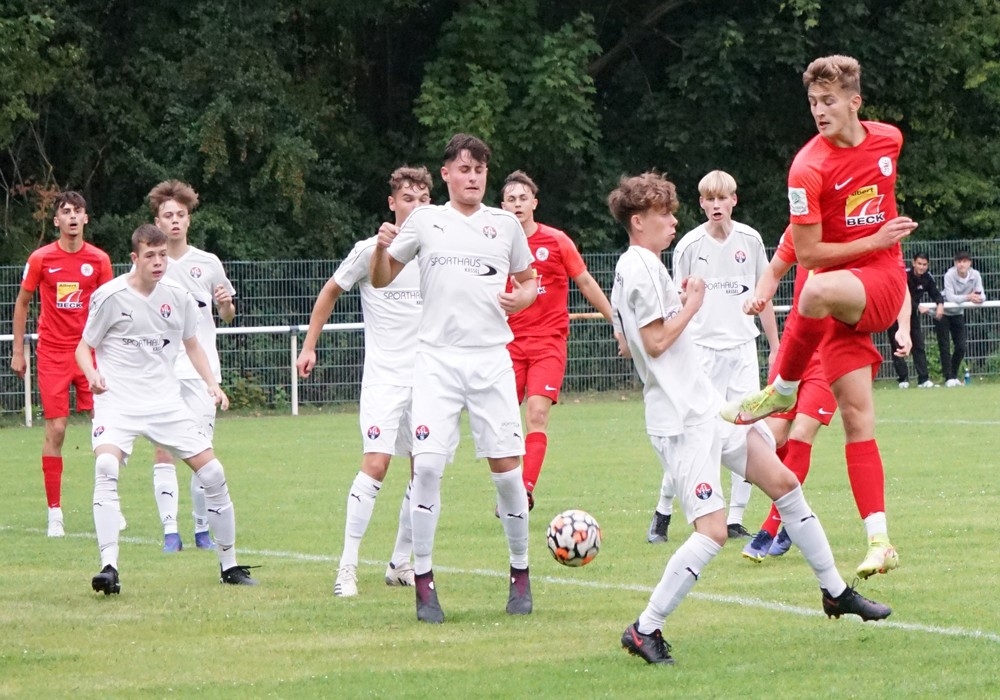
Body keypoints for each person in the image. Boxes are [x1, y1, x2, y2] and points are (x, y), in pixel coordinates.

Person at [607, 172, 891, 666]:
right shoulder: (641, 267)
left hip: (706, 407)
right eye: (664, 214)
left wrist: (678, 308)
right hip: (681, 420)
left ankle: (835, 592)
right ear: (638, 221)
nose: (673, 221)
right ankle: (644, 628)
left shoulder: (640, 266)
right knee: (713, 532)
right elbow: (653, 343)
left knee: (784, 483)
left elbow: (627, 340)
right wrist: (693, 305)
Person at [721, 54, 918, 579]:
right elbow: (802, 250)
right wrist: (768, 283)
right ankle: (880, 540)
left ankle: (781, 388)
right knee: (857, 419)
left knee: (815, 290)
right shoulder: (806, 168)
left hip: (878, 281)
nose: (819, 111)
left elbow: (811, 261)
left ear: (855, 102)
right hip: (832, 310)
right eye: (812, 102)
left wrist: (877, 244)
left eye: (829, 101)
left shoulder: (889, 140)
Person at [370, 133, 538, 624]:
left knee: (508, 473)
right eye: (464, 169)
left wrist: (522, 298)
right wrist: (381, 249)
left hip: (490, 361)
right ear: (446, 174)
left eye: (480, 170)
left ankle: (520, 572)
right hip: (436, 362)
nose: (473, 178)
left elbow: (530, 281)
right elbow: (381, 277)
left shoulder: (504, 225)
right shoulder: (425, 221)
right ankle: (423, 583)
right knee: (425, 468)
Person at [76, 224, 257, 594]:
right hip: (118, 401)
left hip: (164, 403)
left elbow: (193, 345)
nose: (158, 262)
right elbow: (83, 347)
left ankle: (230, 566)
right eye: (150, 256)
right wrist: (92, 375)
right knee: (106, 466)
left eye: (162, 255)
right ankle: (109, 567)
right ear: (135, 258)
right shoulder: (110, 296)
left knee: (213, 472)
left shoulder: (178, 297)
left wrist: (212, 383)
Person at [296, 165, 432, 597]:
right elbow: (330, 291)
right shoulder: (370, 250)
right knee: (376, 464)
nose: (416, 206)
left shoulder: (436, 252)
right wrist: (309, 346)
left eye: (423, 199)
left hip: (429, 380)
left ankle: (400, 563)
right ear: (392, 203)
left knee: (425, 469)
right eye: (407, 198)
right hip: (384, 379)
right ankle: (347, 568)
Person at [648, 170, 780, 543]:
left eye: (723, 198)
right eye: (709, 199)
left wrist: (775, 346)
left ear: (734, 200)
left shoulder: (750, 240)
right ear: (701, 203)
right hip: (702, 353)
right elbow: (675, 304)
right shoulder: (689, 246)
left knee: (748, 432)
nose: (716, 205)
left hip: (742, 351)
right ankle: (662, 512)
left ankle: (735, 518)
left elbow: (762, 295)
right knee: (695, 435)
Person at [499, 170, 612, 509]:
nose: (517, 204)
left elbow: (586, 282)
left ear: (534, 203)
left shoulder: (556, 241)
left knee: (536, 414)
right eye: (511, 199)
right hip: (506, 345)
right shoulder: (495, 245)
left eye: (523, 198)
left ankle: (524, 490)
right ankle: (508, 490)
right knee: (502, 423)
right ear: (502, 206)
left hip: (548, 343)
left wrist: (616, 320)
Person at [11, 191, 114, 537]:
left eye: (77, 211)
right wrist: (18, 351)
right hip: (53, 353)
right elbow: (22, 303)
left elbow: (111, 308)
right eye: (65, 211)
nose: (72, 216)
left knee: (106, 427)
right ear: (56, 220)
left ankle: (109, 503)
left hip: (90, 352)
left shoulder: (99, 260)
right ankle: (54, 512)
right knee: (56, 429)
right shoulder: (41, 259)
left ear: (86, 218)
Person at [145, 180, 237, 553]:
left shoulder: (208, 263)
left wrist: (225, 304)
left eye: (180, 215)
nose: (174, 221)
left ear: (188, 219)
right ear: (157, 221)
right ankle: (170, 532)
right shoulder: (149, 266)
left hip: (202, 371)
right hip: (162, 371)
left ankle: (201, 530)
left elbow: (227, 315)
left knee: (202, 451)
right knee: (163, 450)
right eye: (167, 215)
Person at [740, 227, 839, 561]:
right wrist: (758, 297)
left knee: (800, 435)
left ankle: (769, 528)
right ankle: (796, 515)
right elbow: (773, 271)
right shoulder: (801, 226)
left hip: (830, 352)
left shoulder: (854, 229)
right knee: (772, 438)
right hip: (795, 347)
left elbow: (891, 279)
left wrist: (901, 326)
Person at [889, 252, 944, 388]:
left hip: (912, 316)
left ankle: (923, 380)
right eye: (919, 263)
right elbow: (900, 295)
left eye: (924, 264)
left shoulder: (927, 278)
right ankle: (903, 380)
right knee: (897, 345)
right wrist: (917, 306)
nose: (921, 267)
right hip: (895, 313)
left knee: (918, 345)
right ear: (914, 263)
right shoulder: (904, 275)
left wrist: (940, 304)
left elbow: (935, 293)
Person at [936, 251, 985, 387]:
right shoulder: (949, 275)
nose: (961, 264)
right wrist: (968, 297)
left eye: (964, 261)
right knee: (945, 346)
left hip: (958, 313)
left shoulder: (975, 275)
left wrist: (977, 298)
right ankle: (948, 378)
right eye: (958, 262)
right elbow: (950, 297)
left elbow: (982, 295)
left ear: (970, 263)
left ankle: (953, 375)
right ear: (955, 263)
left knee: (961, 346)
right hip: (944, 312)